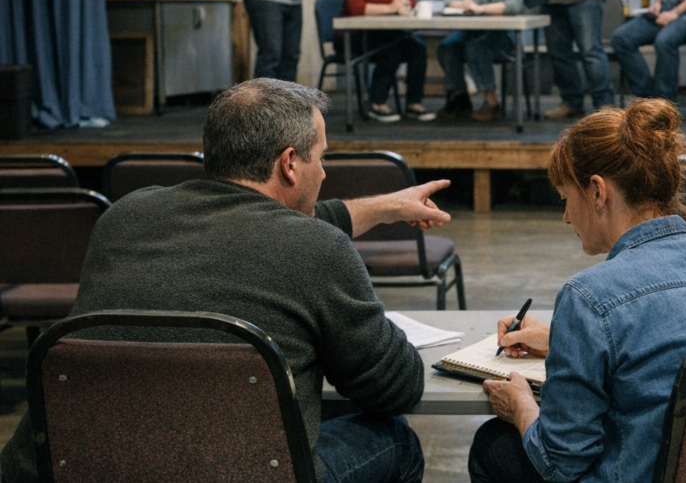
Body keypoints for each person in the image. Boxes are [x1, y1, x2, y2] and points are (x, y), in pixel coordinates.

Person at [0, 78, 449, 483]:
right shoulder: (318, 249)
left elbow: (266, 224)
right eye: (322, 156)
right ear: (290, 163)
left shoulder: (125, 216)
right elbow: (394, 387)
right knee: (395, 439)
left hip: (80, 467)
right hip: (248, 473)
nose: (326, 172)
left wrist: (388, 206)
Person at [467, 98, 686, 483]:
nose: (565, 217)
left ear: (597, 192)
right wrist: (563, 339)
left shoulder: (590, 297)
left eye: (566, 199)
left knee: (493, 445)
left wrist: (521, 406)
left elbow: (562, 461)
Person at [337, 0, 435, 123]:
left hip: (389, 33)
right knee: (391, 53)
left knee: (417, 48)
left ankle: (414, 103)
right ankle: (377, 103)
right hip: (357, 35)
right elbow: (355, 7)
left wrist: (403, 5)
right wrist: (390, 7)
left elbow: (412, 2)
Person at [437, 0, 524, 122]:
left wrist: (481, 8)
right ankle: (460, 97)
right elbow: (448, 1)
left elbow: (515, 5)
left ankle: (491, 102)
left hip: (500, 35)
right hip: (470, 31)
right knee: (447, 46)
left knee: (475, 47)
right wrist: (463, 3)